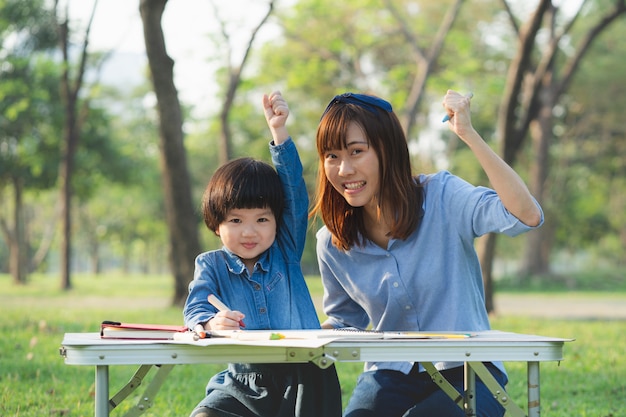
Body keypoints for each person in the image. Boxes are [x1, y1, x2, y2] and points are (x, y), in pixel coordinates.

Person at [310, 90, 544, 417]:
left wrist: (469, 134)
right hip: (388, 374)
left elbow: (526, 216)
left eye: (356, 152)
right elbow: (345, 322)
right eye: (332, 156)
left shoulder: (443, 196)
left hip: (468, 368)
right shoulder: (332, 242)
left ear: (387, 151)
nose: (344, 169)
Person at [183, 91, 341, 417]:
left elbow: (294, 192)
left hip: (304, 377)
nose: (250, 232)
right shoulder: (210, 265)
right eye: (236, 220)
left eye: (262, 219)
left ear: (277, 221)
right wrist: (212, 322)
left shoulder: (286, 251)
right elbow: (196, 308)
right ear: (216, 224)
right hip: (244, 382)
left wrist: (279, 133)